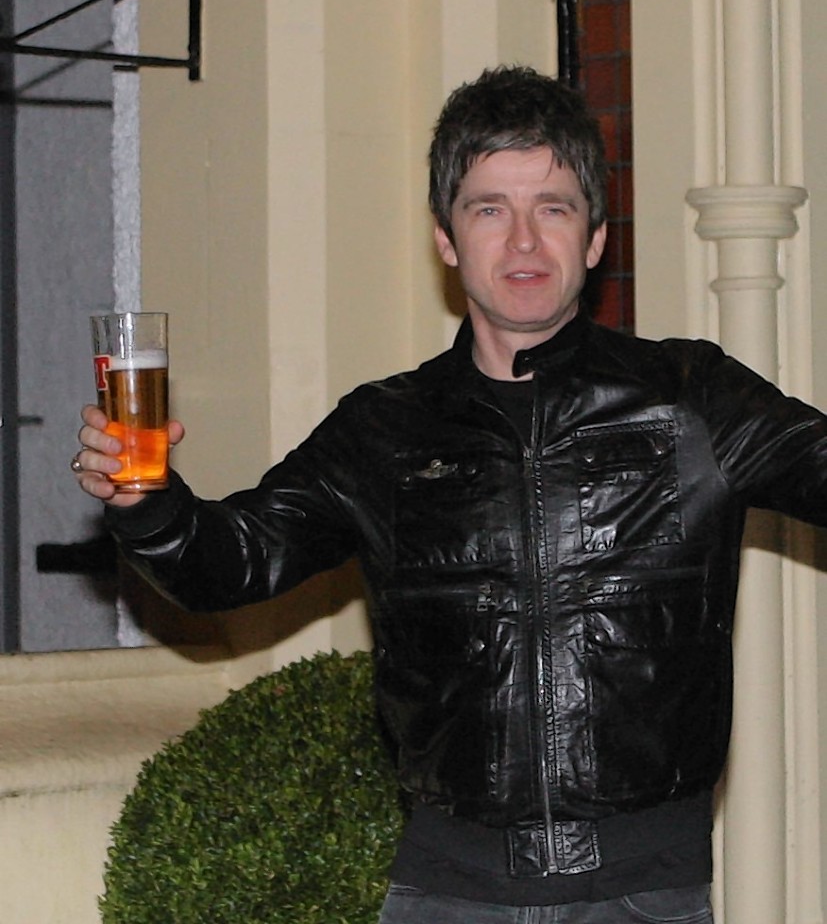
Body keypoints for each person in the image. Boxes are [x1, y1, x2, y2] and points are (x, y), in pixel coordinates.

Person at [73, 65, 827, 924]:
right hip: (445, 895)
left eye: (552, 207)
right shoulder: (384, 429)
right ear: (445, 239)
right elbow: (230, 564)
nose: (522, 243)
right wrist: (147, 503)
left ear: (593, 237)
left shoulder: (693, 398)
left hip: (642, 895)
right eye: (487, 209)